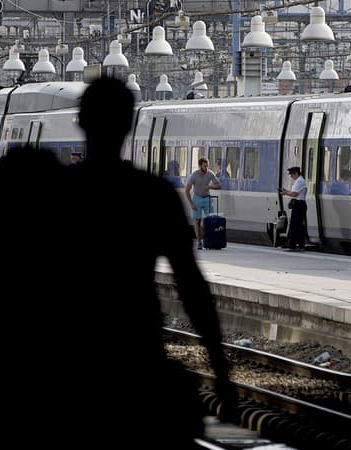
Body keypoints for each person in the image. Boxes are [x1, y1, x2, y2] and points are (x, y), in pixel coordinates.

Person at [73, 77, 237, 448]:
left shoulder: (52, 194)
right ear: (130, 125)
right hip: (137, 358)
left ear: (81, 120)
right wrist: (220, 371)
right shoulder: (152, 195)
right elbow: (192, 287)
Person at [185, 157, 221, 250]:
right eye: (205, 166)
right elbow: (187, 190)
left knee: (211, 220)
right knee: (197, 221)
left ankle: (211, 241)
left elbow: (219, 185)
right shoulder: (194, 175)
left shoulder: (210, 173)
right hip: (197, 198)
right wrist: (191, 203)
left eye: (207, 166)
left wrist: (210, 186)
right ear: (200, 165)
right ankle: (199, 242)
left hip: (207, 198)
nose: (206, 168)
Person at [280, 166, 307, 251]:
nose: (291, 177)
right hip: (299, 204)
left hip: (298, 205)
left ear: (296, 173)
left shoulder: (299, 181)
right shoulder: (300, 181)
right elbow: (294, 193)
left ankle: (292, 245)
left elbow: (294, 194)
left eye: (291, 174)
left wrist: (285, 193)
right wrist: (286, 191)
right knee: (298, 226)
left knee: (294, 225)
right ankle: (300, 244)